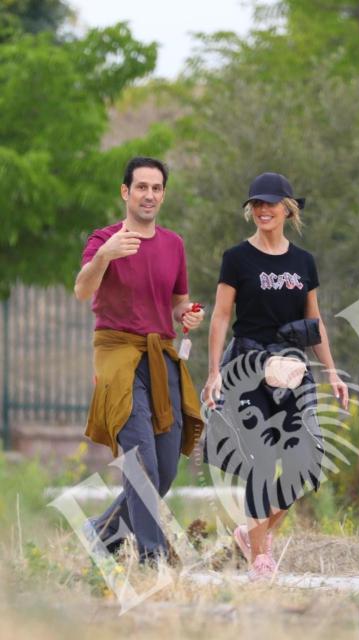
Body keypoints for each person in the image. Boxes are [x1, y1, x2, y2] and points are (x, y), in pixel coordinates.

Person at [202, 172, 348, 580]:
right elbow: (221, 317)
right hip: (248, 368)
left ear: (288, 208)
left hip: (293, 369)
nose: (263, 210)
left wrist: (332, 371)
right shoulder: (237, 258)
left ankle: (254, 533)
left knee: (307, 460)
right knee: (262, 457)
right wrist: (214, 372)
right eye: (256, 204)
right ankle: (261, 559)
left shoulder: (303, 262)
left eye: (271, 203)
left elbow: (314, 320)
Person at [74, 156, 205, 564]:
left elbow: (177, 302)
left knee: (165, 467)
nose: (149, 195)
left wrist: (187, 315)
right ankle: (152, 555)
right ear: (125, 192)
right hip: (117, 354)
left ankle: (101, 530)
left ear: (163, 194)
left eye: (157, 188)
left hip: (160, 353)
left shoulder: (174, 244)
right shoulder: (104, 239)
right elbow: (82, 290)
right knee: (141, 461)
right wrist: (105, 257)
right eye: (142, 187)